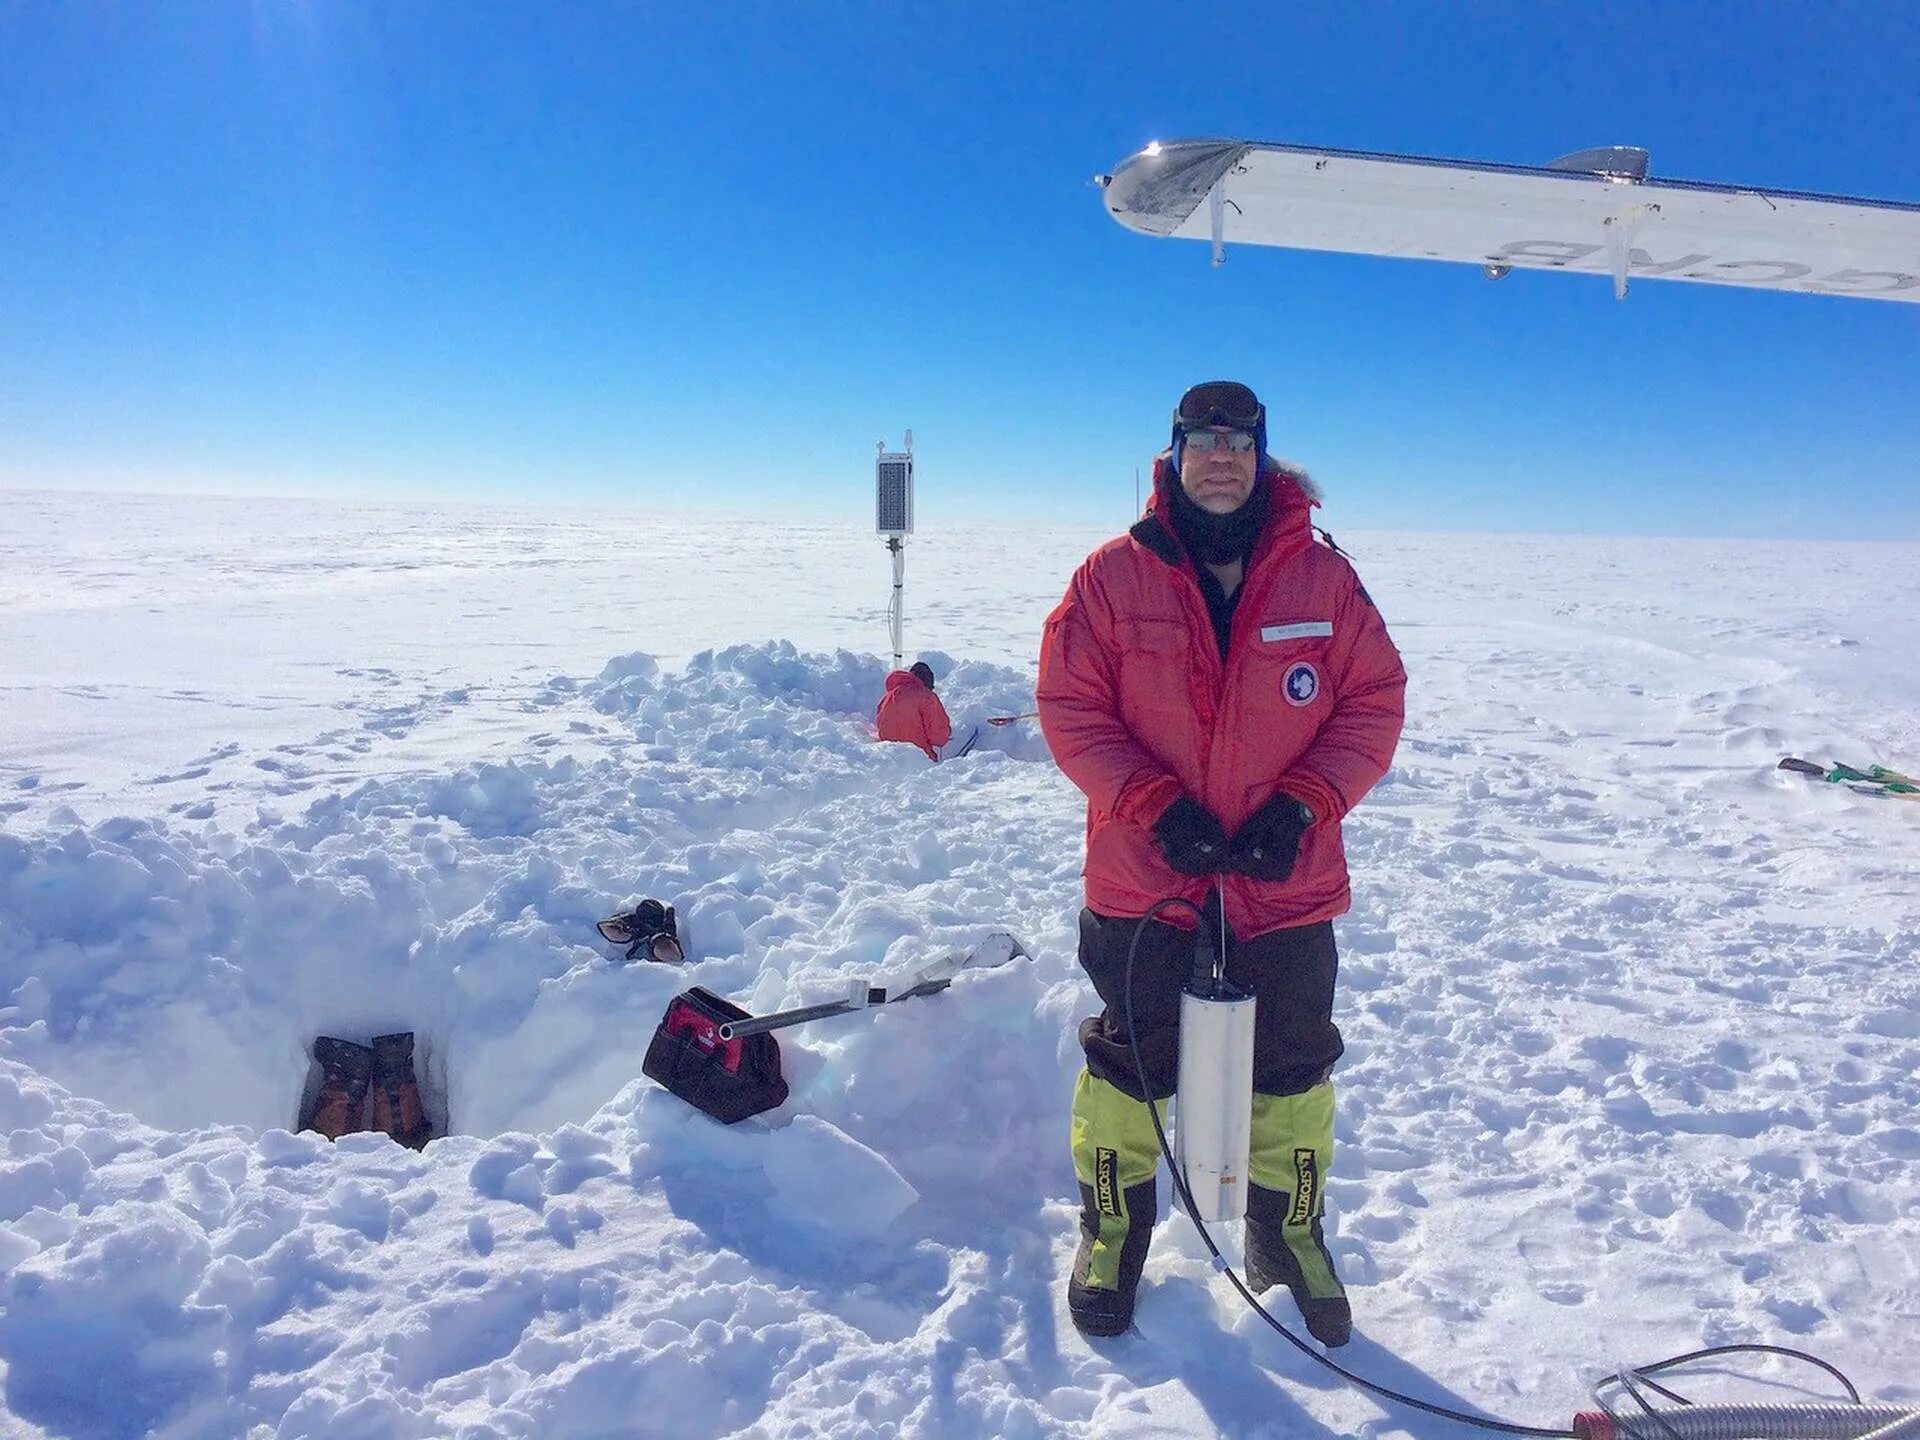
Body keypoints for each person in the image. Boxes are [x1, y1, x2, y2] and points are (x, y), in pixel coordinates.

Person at [1037, 380, 1406, 1342]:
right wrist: (1153, 803)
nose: (1220, 457)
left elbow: (1373, 700)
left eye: (1238, 443)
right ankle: (1113, 1229)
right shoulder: (1111, 576)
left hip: (1284, 876)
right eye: (1203, 440)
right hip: (1144, 871)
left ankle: (1288, 1236)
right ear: (1174, 453)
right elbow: (1072, 710)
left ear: (1263, 457)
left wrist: (1306, 804)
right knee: (1131, 1056)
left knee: (1292, 1059)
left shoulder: (1323, 581)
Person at [875, 660, 953, 762]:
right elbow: (938, 737)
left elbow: (880, 723)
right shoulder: (927, 696)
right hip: (917, 757)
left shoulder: (888, 696)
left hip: (887, 755)